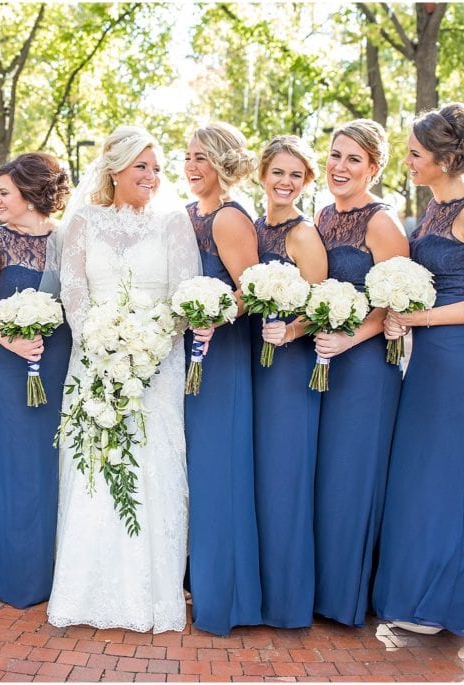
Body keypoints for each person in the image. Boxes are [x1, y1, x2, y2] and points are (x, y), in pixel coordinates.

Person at [46, 125, 205, 633]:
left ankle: (152, 598)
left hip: (156, 365)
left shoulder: (173, 223)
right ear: (114, 169)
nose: (152, 177)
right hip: (93, 359)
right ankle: (84, 590)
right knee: (92, 464)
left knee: (151, 465)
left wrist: (149, 346)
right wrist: (99, 342)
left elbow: (184, 296)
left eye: (157, 169)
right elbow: (73, 289)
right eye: (141, 166)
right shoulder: (85, 222)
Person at [374, 103, 464, 636]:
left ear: (443, 157)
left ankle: (446, 603)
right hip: (432, 353)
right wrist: (403, 321)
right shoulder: (433, 209)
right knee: (421, 474)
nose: (408, 161)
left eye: (414, 153)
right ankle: (418, 594)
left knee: (452, 477)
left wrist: (423, 317)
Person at [312, 121, 409, 627]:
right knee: (325, 475)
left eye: (353, 159)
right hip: (324, 360)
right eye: (335, 155)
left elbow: (399, 298)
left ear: (374, 167)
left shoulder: (382, 222)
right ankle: (319, 588)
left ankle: (347, 596)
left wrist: (353, 337)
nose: (340, 167)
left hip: (367, 364)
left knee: (353, 475)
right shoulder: (323, 215)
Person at [0, 152, 72, 609]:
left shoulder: (68, 240)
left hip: (61, 361)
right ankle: (15, 574)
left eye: (4, 193)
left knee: (56, 463)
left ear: (31, 195)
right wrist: (13, 343)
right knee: (15, 462)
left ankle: (59, 573)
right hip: (10, 366)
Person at [181, 123, 262, 634]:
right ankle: (194, 581)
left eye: (202, 159)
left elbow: (251, 290)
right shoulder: (186, 215)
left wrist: (214, 312)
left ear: (223, 164)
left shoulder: (230, 218)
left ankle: (224, 597)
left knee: (218, 474)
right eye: (188, 157)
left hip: (223, 357)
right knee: (192, 473)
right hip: (186, 358)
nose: (191, 166)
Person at [251, 136, 327, 628]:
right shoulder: (252, 228)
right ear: (262, 174)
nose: (285, 182)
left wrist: (291, 330)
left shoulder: (303, 235)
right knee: (256, 477)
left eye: (296, 175)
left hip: (289, 370)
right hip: (250, 366)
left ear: (306, 183)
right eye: (278, 172)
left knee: (284, 479)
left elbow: (323, 305)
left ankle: (286, 600)